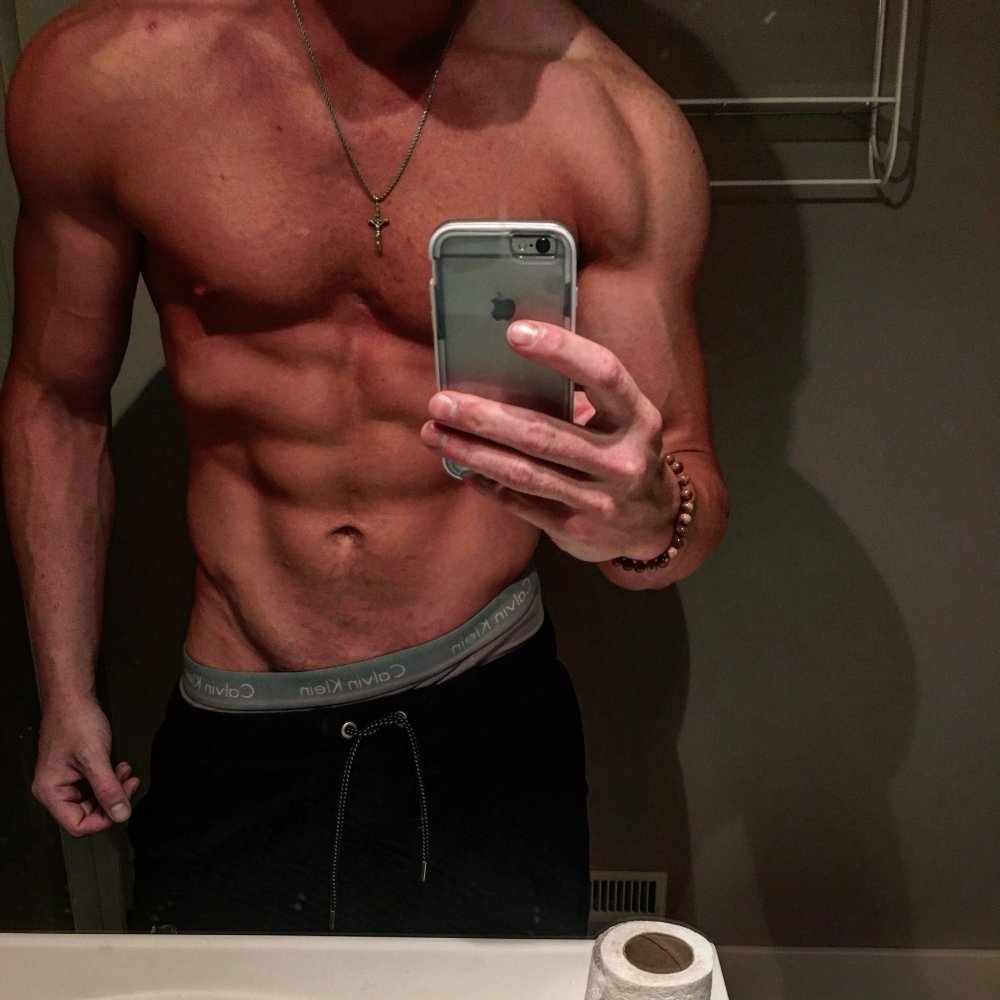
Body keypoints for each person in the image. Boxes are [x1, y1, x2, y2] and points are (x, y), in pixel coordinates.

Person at [0, 0, 727, 936]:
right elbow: (56, 401)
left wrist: (649, 521)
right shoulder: (109, 77)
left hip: (489, 709)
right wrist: (64, 692)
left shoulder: (608, 118)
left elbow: (687, 485)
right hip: (240, 712)